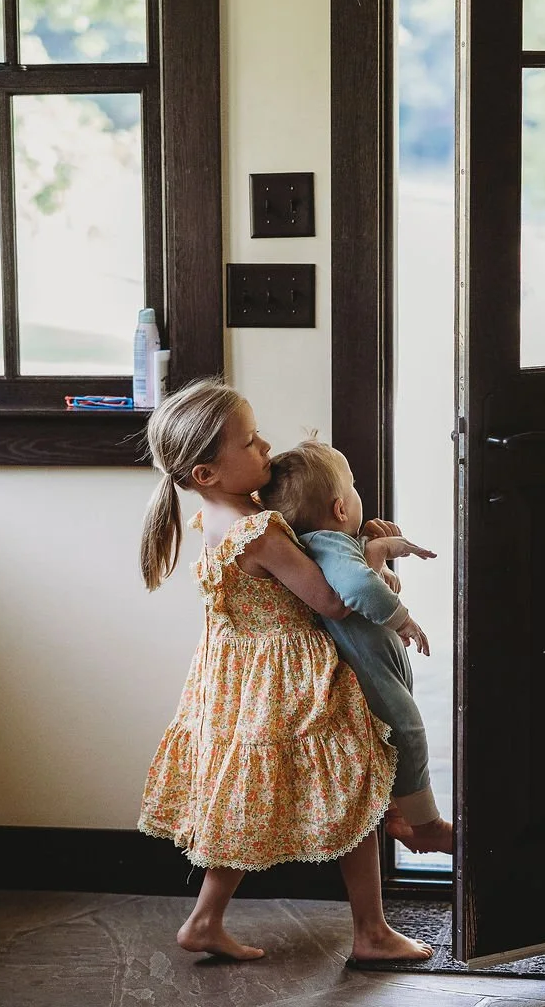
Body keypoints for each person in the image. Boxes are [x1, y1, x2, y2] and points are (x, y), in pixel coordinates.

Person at [138, 378, 433, 964]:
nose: (266, 447)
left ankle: (205, 919)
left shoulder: (217, 515)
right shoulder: (260, 531)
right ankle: (371, 931)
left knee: (250, 795)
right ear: (206, 473)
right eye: (250, 441)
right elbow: (331, 602)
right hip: (291, 679)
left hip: (240, 678)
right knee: (354, 788)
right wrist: (373, 554)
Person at [259, 439, 453, 855]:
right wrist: (403, 620)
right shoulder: (331, 545)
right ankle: (426, 826)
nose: (357, 493)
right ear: (340, 509)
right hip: (369, 672)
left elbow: (363, 576)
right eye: (353, 486)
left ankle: (398, 814)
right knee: (408, 732)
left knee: (396, 739)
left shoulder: (324, 544)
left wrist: (372, 552)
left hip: (375, 665)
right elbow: (359, 587)